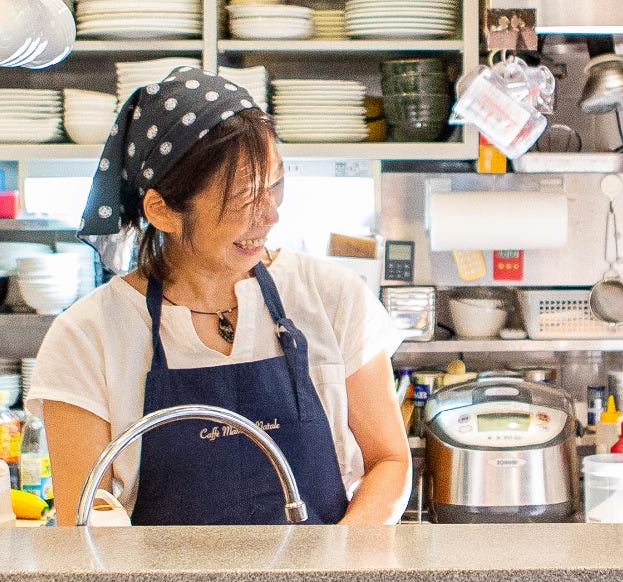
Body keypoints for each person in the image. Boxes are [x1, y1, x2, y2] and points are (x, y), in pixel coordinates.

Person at [29, 68, 411, 526]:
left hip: (325, 570)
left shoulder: (332, 297)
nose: (270, 215)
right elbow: (86, 520)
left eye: (275, 185)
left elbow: (390, 461)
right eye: (244, 197)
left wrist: (341, 556)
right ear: (163, 210)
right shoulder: (87, 336)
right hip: (156, 576)